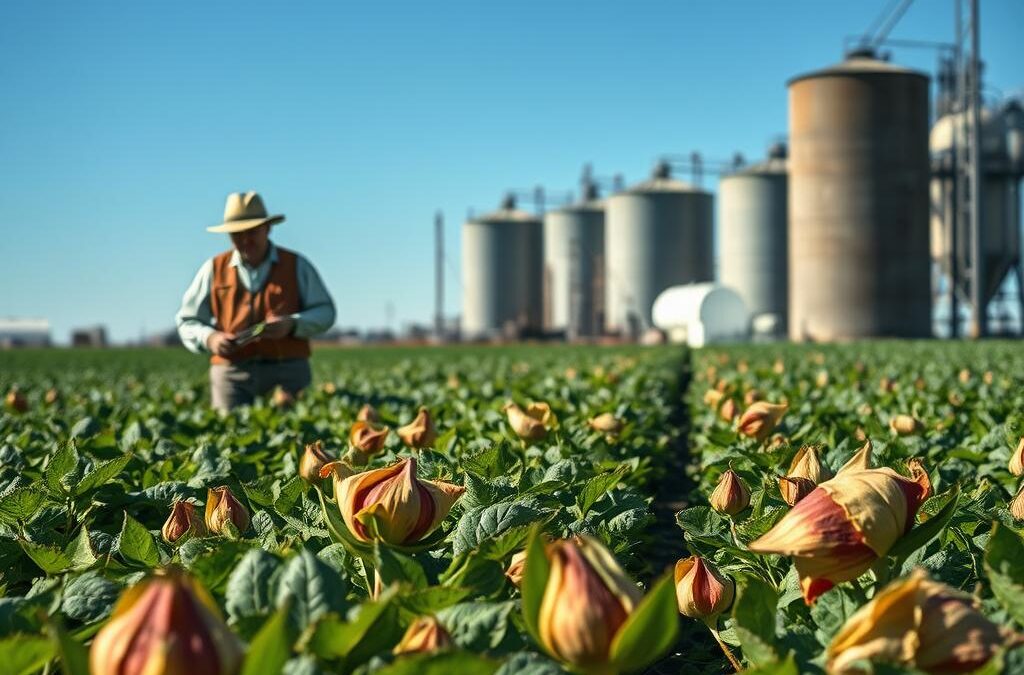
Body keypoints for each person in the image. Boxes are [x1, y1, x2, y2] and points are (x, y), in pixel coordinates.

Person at [176, 191, 336, 411]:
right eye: (236, 234)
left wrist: (292, 323)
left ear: (268, 228)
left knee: (297, 436)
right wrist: (211, 338)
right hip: (231, 375)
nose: (245, 240)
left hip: (288, 372)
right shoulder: (212, 269)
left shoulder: (297, 265)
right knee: (229, 436)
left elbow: (326, 312)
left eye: (251, 232)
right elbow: (187, 320)